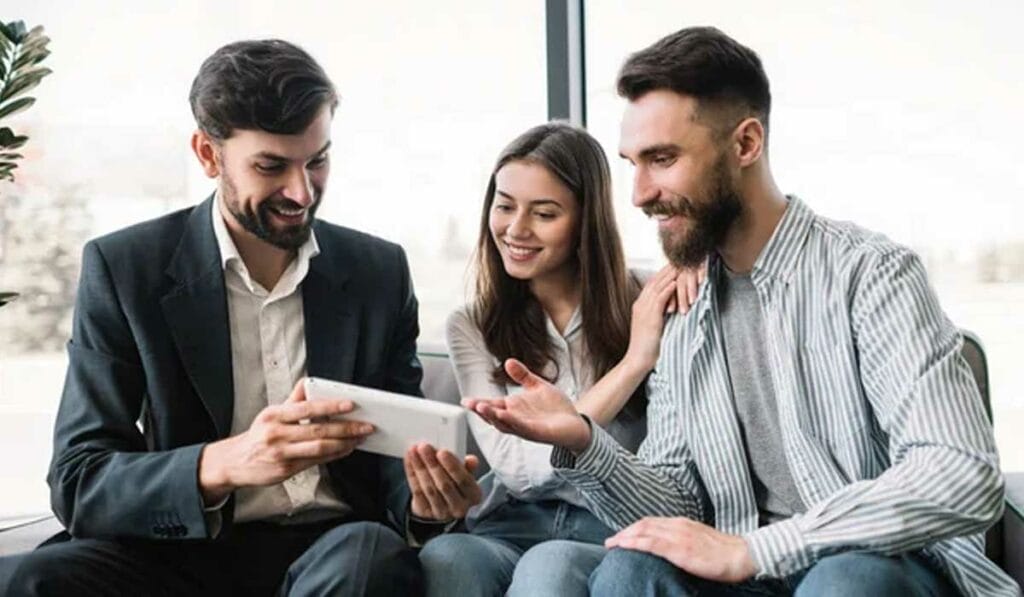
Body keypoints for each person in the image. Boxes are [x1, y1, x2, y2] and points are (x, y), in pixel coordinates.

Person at [465, 27, 1019, 597]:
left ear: (746, 144)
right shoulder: (683, 308)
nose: (638, 193)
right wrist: (584, 440)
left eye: (662, 159)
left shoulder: (871, 274)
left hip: (877, 568)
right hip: (748, 574)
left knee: (844, 578)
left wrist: (760, 549)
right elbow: (677, 499)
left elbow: (961, 473)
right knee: (630, 569)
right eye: (633, 163)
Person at [0, 39, 479, 597]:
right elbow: (81, 479)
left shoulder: (378, 271)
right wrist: (223, 463)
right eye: (271, 166)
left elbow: (397, 464)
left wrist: (425, 504)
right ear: (208, 154)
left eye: (317, 161)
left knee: (370, 557)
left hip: (332, 547)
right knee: (38, 579)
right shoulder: (127, 268)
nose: (301, 192)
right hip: (178, 547)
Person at [418, 123, 703, 597]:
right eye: (505, 205)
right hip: (510, 522)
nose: (516, 229)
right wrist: (634, 362)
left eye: (544, 213)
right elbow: (520, 471)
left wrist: (699, 258)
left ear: (585, 222)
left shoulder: (650, 299)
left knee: (550, 566)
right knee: (447, 558)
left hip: (608, 521)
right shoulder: (472, 324)